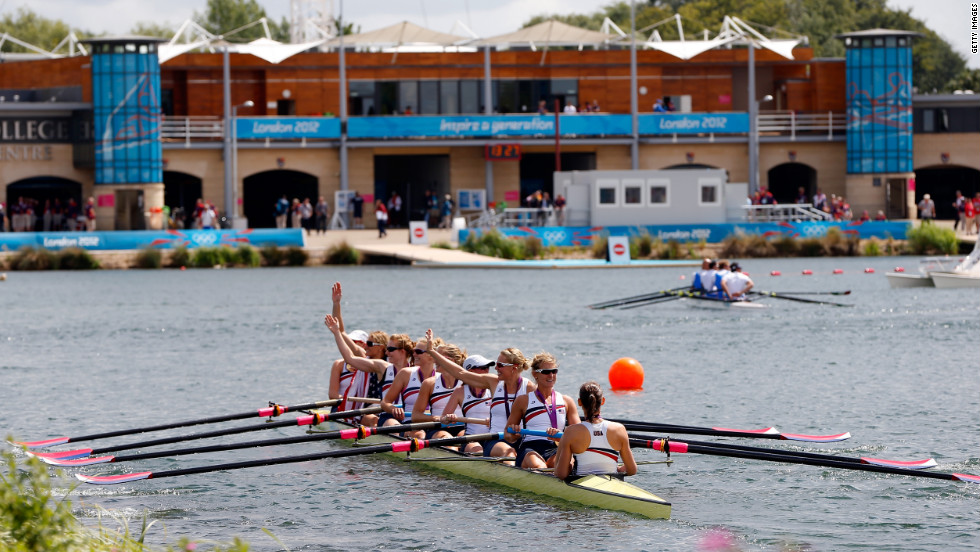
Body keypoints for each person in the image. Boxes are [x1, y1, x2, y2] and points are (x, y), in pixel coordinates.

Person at [427, 340, 537, 462]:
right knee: (509, 453)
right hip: (496, 440)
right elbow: (461, 373)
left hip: (520, 440)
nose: (495, 368)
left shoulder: (529, 388)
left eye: (500, 365)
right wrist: (432, 352)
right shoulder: (493, 383)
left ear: (514, 368)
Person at [505, 352, 580, 470]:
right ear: (535, 374)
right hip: (530, 448)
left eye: (554, 371)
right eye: (546, 372)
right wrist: (514, 435)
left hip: (556, 447)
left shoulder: (567, 401)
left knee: (567, 465)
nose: (551, 375)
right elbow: (507, 434)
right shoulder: (523, 401)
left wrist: (561, 438)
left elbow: (579, 436)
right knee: (539, 467)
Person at [554, 382, 637, 480]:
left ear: (580, 402)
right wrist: (618, 469)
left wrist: (571, 464)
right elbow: (632, 470)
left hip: (581, 485)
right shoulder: (619, 429)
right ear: (602, 401)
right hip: (613, 482)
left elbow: (561, 474)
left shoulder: (571, 431)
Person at [380, 334, 439, 433]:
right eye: (414, 351)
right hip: (409, 422)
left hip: (432, 424)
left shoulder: (440, 377)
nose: (414, 354)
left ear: (431, 355)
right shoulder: (406, 374)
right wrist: (394, 409)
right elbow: (385, 403)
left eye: (418, 352)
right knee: (420, 434)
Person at [412, 341, 468, 444]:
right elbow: (415, 416)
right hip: (437, 428)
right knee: (447, 439)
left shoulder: (466, 383)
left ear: (451, 360)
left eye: (438, 357)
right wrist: (437, 418)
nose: (434, 360)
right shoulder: (429, 383)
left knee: (467, 439)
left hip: (462, 427)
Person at [437, 354, 494, 455]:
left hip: (492, 437)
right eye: (483, 368)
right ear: (470, 372)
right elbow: (443, 419)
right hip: (471, 439)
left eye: (487, 368)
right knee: (479, 452)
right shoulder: (460, 392)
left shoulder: (493, 390)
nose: (487, 371)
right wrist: (449, 417)